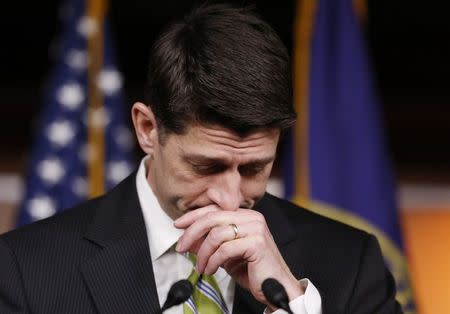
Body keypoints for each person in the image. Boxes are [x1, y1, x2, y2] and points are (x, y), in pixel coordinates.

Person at [0, 4, 401, 314]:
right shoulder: (25, 270)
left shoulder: (351, 264)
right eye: (206, 166)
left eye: (254, 168)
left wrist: (292, 304)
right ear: (147, 129)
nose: (229, 198)